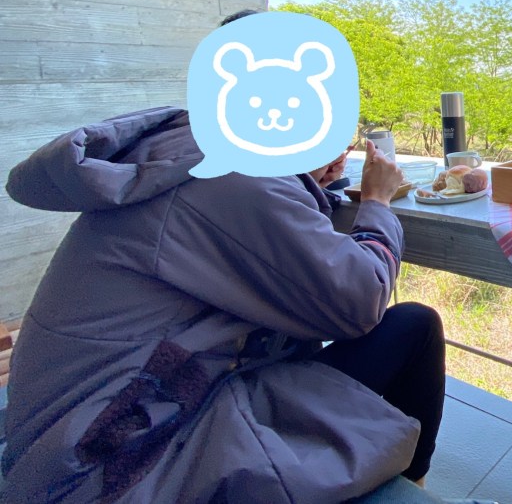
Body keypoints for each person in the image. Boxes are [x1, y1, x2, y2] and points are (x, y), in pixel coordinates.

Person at [1, 102, 448, 500]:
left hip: (62, 434)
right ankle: (409, 491)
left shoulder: (179, 155)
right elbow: (360, 299)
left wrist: (303, 180)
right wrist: (377, 201)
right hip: (117, 460)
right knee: (415, 327)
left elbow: (254, 241)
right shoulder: (237, 177)